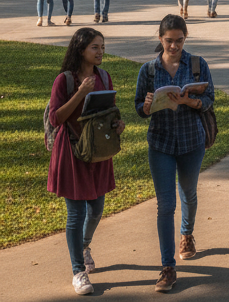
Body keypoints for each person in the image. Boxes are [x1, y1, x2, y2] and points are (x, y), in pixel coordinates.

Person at [135, 14, 215, 293]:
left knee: (189, 193)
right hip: (161, 144)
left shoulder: (196, 64)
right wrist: (147, 106)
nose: (174, 46)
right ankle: (167, 266)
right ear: (160, 39)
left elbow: (209, 99)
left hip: (191, 141)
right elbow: (139, 108)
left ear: (185, 38)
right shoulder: (149, 70)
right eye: (169, 41)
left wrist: (189, 100)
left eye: (179, 40)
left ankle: (187, 233)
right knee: (165, 204)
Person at [48, 28, 125, 296]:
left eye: (102, 46)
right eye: (95, 47)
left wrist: (117, 124)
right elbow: (56, 119)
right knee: (76, 213)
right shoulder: (64, 81)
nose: (101, 51)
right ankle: (78, 271)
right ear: (81, 49)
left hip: (98, 151)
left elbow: (107, 112)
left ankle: (84, 244)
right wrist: (80, 93)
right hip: (71, 151)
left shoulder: (104, 76)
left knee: (96, 208)